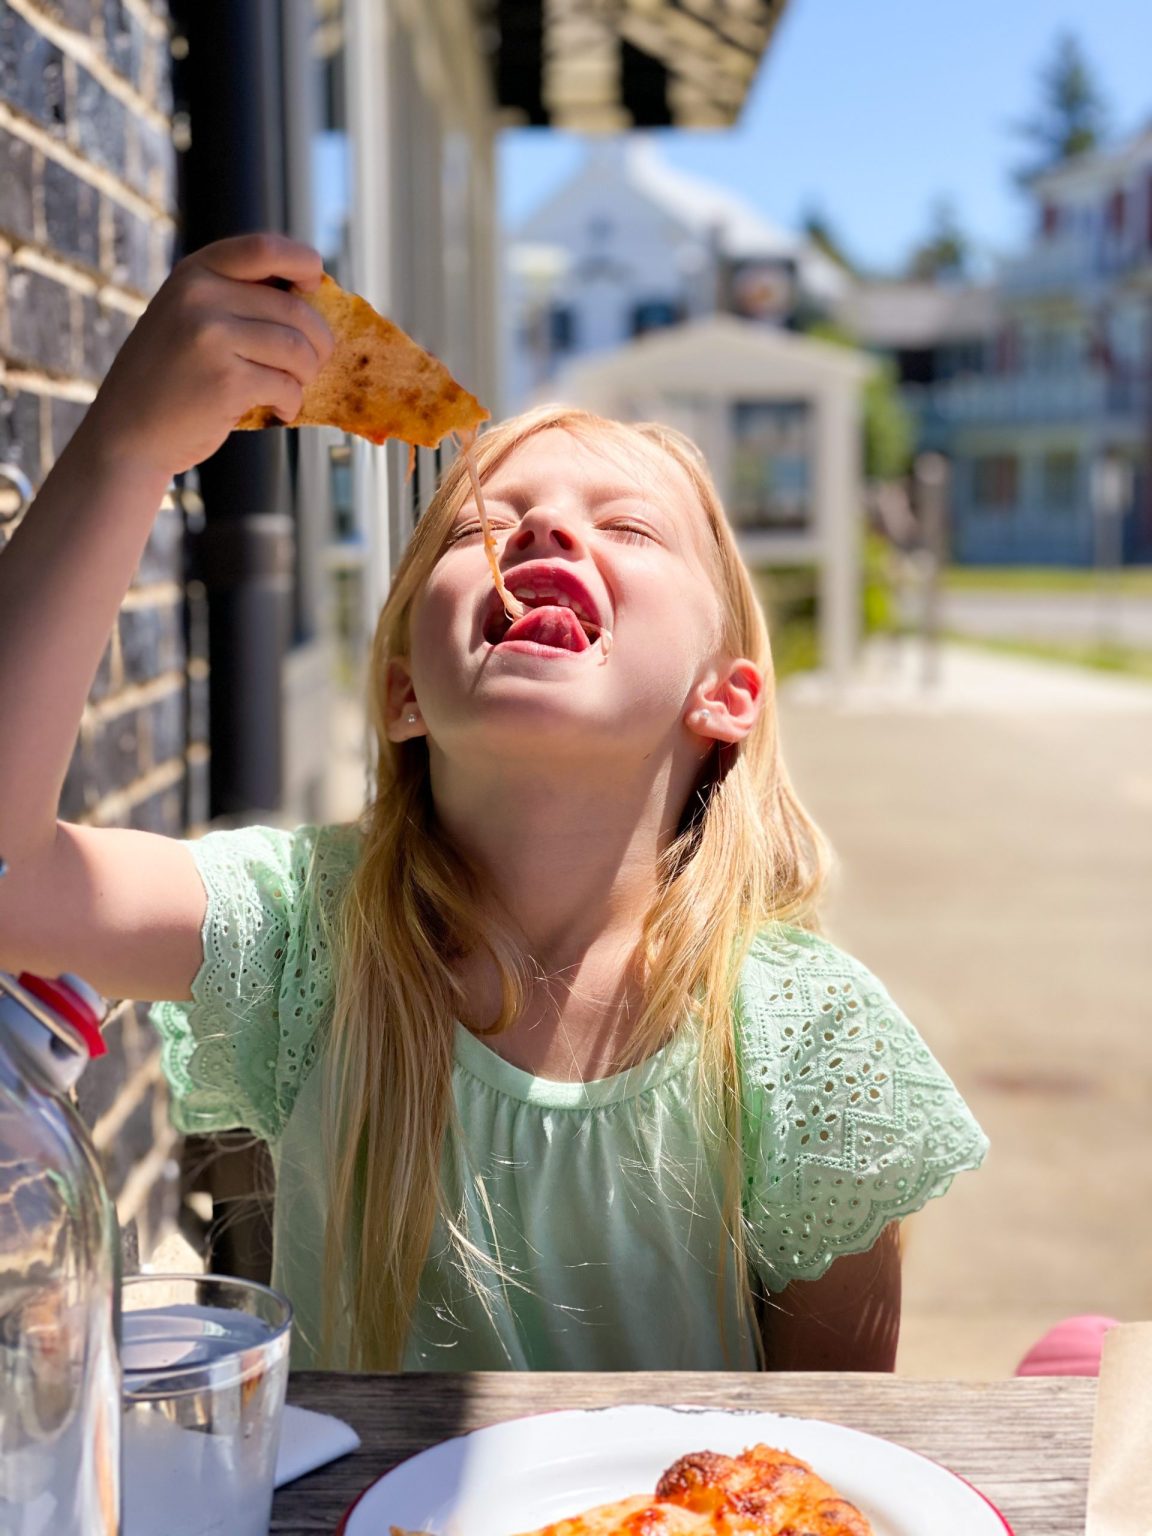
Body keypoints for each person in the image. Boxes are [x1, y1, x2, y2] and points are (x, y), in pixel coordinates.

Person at [0, 233, 987, 1373]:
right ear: (404, 693)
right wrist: (126, 449)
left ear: (725, 697)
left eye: (626, 527)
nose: (543, 530)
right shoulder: (302, 935)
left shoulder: (808, 1039)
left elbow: (825, 1447)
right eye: (478, 528)